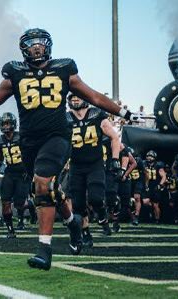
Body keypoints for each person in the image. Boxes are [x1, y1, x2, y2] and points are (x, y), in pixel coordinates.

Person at [0, 28, 137, 271]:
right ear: (24, 49)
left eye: (41, 43)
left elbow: (93, 96)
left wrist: (123, 112)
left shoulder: (64, 69)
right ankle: (72, 222)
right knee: (47, 189)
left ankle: (44, 249)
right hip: (29, 141)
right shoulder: (15, 72)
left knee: (42, 184)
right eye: (31, 44)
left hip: (57, 137)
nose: (37, 48)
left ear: (48, 46)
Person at [66, 93, 121, 250]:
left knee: (96, 199)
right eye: (72, 97)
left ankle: (103, 217)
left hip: (94, 164)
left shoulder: (97, 114)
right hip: (76, 166)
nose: (75, 99)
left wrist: (116, 159)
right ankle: (85, 233)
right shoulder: (66, 118)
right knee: (78, 204)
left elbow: (114, 137)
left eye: (77, 96)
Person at [0, 112, 30, 238]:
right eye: (4, 123)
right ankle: (10, 230)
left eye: (8, 123)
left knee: (19, 204)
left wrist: (29, 171)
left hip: (22, 172)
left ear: (13, 124)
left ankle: (30, 209)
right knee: (5, 201)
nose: (6, 126)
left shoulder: (21, 137)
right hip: (10, 172)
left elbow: (29, 155)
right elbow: (0, 159)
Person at [143, 150, 167, 223]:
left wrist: (160, 185)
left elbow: (163, 176)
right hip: (147, 185)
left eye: (151, 156)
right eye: (148, 156)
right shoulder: (144, 164)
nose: (149, 158)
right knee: (145, 202)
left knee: (156, 204)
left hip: (155, 185)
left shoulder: (158, 165)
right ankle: (150, 213)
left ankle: (157, 219)